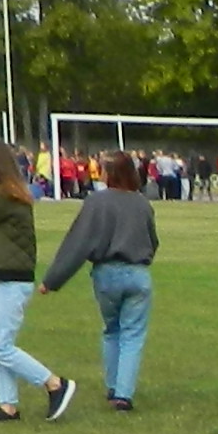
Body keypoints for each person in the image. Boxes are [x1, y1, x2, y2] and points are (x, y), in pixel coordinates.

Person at [0, 138, 73, 421]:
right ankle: (7, 405)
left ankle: (55, 384)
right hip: (6, 274)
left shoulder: (3, 196)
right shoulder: (9, 193)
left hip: (12, 276)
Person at [40, 149, 159, 407]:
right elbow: (153, 241)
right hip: (138, 274)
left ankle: (113, 385)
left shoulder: (97, 202)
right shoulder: (142, 203)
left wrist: (52, 280)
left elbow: (78, 243)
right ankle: (123, 394)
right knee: (132, 334)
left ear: (111, 173)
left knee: (112, 330)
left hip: (106, 274)